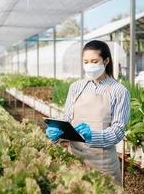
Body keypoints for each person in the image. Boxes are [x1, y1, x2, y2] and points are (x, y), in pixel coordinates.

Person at [45, 40, 130, 184]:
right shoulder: (76, 87)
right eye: (86, 62)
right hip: (75, 159)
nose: (89, 66)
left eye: (94, 61)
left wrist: (92, 136)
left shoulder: (119, 91)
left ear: (106, 61)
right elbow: (67, 119)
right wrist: (57, 132)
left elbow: (118, 132)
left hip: (103, 163)